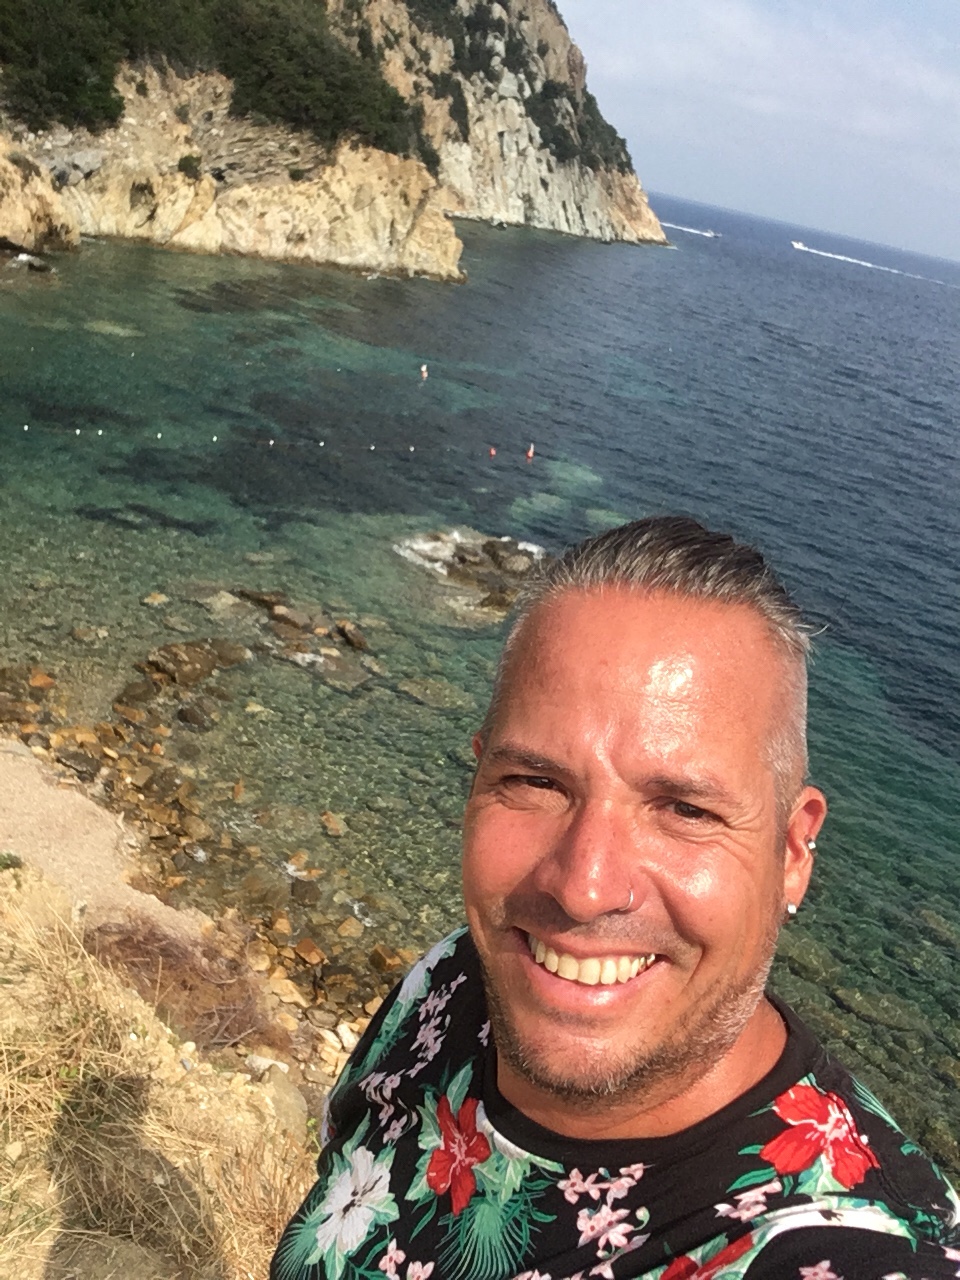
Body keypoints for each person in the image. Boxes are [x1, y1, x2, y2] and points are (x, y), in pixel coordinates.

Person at [272, 517, 960, 1280]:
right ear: (477, 778)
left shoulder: (847, 1250)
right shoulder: (453, 983)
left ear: (792, 852)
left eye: (685, 809)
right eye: (535, 781)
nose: (583, 887)